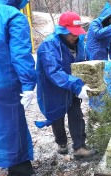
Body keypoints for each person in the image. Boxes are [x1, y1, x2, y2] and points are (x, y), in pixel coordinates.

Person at [36, 11, 96, 159]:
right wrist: (76, 85)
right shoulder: (49, 46)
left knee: (76, 113)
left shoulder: (79, 43)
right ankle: (62, 143)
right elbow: (54, 71)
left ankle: (79, 147)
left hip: (74, 86)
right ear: (62, 31)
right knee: (57, 115)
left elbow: (88, 62)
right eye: (71, 33)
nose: (75, 36)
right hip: (53, 88)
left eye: (77, 33)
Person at [0, 0, 36, 175]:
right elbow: (21, 54)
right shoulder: (14, 16)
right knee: (13, 128)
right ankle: (20, 169)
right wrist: (28, 83)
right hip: (5, 84)